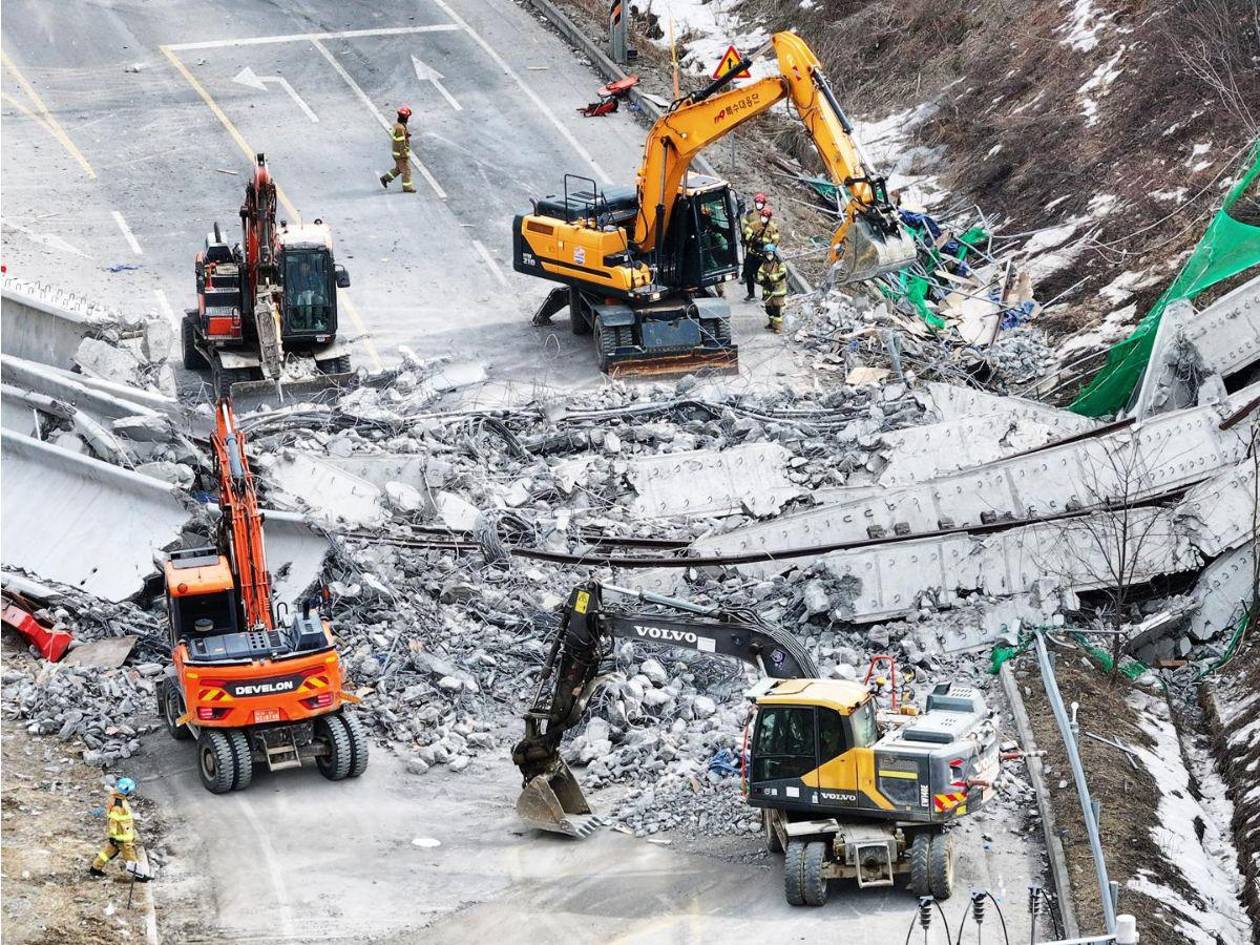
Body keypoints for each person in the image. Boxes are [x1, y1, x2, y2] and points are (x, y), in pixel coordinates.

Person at [88, 777, 149, 880]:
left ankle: (95, 868)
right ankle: (138, 875)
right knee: (130, 855)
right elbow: (113, 822)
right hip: (122, 837)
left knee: (107, 852)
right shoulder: (118, 805)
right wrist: (113, 836)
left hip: (120, 835)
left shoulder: (118, 799)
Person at [741, 199, 780, 301]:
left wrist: (767, 247)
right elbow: (747, 233)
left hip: (763, 255)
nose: (764, 218)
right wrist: (752, 238)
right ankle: (751, 293)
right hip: (752, 252)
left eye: (766, 217)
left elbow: (776, 241)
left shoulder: (772, 228)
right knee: (749, 273)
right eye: (763, 216)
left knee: (762, 276)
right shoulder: (754, 225)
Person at [380, 106, 415, 193]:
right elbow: (401, 143)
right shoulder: (400, 128)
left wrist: (406, 135)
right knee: (406, 170)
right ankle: (407, 188)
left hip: (397, 153)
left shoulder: (398, 126)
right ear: (405, 117)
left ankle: (385, 178)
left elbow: (399, 139)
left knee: (399, 169)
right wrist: (404, 154)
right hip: (400, 154)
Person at [757, 243, 788, 333]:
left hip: (778, 291)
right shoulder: (764, 264)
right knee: (769, 309)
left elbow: (783, 274)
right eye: (767, 254)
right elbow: (760, 273)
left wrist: (771, 278)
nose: (768, 256)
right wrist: (762, 280)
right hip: (768, 291)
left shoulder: (779, 263)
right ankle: (771, 324)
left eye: (770, 253)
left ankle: (777, 327)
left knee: (776, 310)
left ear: (774, 253)